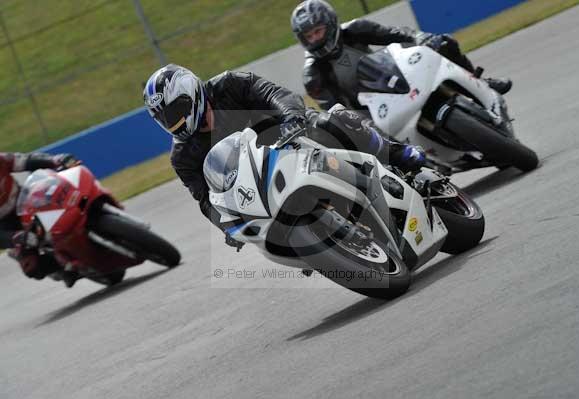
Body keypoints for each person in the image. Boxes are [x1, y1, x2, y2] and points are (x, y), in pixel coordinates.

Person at [143, 64, 425, 248]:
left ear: (191, 93)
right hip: (260, 181)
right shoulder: (183, 156)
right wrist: (225, 226)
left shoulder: (230, 84)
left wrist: (291, 116)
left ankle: (397, 153)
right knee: (256, 231)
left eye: (176, 111)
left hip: (292, 134)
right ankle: (317, 248)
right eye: (166, 119)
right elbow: (206, 199)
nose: (175, 122)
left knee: (333, 119)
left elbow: (275, 94)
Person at [291, 0, 513, 111]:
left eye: (317, 31)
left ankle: (480, 82)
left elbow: (398, 34)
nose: (315, 39)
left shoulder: (356, 29)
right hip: (371, 112)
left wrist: (420, 38)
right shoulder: (313, 76)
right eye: (309, 36)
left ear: (329, 23)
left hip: (392, 77)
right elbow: (336, 112)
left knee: (444, 41)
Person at [0, 152, 79, 282]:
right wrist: (14, 238)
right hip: (7, 225)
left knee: (65, 198)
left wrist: (54, 160)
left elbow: (27, 160)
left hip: (25, 199)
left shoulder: (2, 159)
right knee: (31, 268)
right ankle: (63, 267)